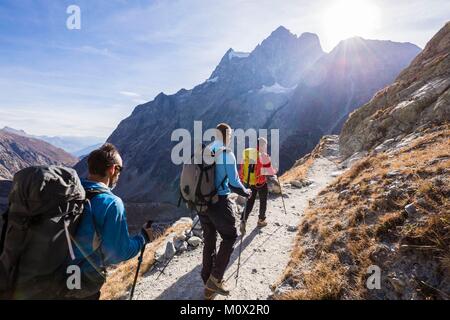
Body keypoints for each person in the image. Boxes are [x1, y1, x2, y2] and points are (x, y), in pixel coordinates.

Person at [68, 143, 154, 300]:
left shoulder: (70, 192)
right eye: (120, 170)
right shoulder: (111, 203)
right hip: (82, 285)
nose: (119, 174)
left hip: (51, 277)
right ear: (113, 169)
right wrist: (143, 238)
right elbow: (118, 253)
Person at [199, 123, 251, 300]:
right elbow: (234, 182)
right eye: (230, 134)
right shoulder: (227, 153)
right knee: (230, 236)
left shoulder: (206, 150)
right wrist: (246, 192)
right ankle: (215, 278)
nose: (231, 137)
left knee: (209, 238)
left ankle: (207, 282)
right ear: (227, 135)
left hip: (201, 202)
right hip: (218, 202)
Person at [240, 137, 277, 230]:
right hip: (260, 183)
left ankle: (243, 220)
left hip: (248, 182)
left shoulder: (248, 153)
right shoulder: (264, 156)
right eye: (265, 145)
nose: (266, 147)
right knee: (263, 201)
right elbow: (270, 172)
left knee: (249, 202)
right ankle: (261, 220)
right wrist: (274, 169)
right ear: (262, 145)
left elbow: (242, 166)